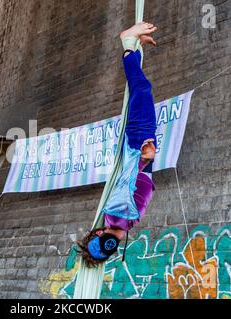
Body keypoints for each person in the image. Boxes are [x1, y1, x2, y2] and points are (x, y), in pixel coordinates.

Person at [77, 22, 158, 267]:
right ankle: (133, 48)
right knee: (139, 92)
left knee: (141, 89)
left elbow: (126, 181)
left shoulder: (121, 215)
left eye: (100, 239)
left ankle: (127, 42)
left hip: (138, 146)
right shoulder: (122, 220)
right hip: (139, 148)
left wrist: (145, 159)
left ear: (98, 233)